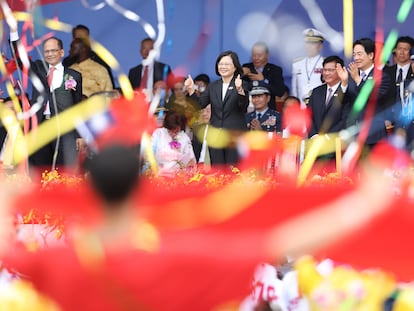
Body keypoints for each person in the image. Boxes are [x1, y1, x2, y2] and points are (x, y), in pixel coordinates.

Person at [9, 28, 83, 171]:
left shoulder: (74, 76)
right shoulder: (38, 68)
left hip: (63, 129)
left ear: (61, 52)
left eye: (53, 51)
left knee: (63, 171)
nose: (50, 54)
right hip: (40, 127)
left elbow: (77, 107)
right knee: (39, 170)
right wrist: (13, 33)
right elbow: (19, 57)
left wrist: (79, 135)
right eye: (47, 51)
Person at [185, 50, 249, 166]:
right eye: (221, 64)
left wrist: (240, 90)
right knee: (217, 172)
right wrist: (191, 90)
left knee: (233, 171)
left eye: (227, 64)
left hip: (234, 136)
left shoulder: (241, 84)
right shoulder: (213, 86)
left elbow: (243, 107)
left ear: (235, 67)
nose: (223, 67)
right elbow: (199, 105)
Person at [346, 37, 393, 149]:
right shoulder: (351, 76)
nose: (356, 58)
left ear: (371, 55)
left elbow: (373, 96)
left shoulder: (381, 76)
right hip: (353, 137)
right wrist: (343, 84)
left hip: (373, 137)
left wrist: (358, 79)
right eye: (354, 54)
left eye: (359, 54)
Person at [308, 55, 351, 138]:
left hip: (336, 143)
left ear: (340, 71)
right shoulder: (316, 92)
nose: (326, 73)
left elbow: (346, 119)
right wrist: (314, 135)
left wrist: (327, 137)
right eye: (324, 70)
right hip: (315, 142)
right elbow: (308, 117)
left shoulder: (346, 91)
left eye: (330, 70)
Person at [63, 24, 115, 89]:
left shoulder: (100, 63)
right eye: (78, 38)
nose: (81, 42)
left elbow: (109, 91)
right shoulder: (67, 63)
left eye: (84, 38)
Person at [150, 110, 196, 176]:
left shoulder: (185, 138)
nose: (173, 134)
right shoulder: (158, 134)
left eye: (176, 131)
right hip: (158, 175)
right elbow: (149, 154)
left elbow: (191, 162)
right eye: (170, 130)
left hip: (177, 177)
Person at [242, 41, 286, 110]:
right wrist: (239, 73)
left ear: (267, 55)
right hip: (248, 111)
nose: (256, 58)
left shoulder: (275, 70)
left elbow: (280, 92)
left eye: (259, 55)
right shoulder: (246, 68)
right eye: (254, 55)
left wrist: (263, 81)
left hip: (268, 112)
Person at [383, 36, 414, 131]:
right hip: (390, 123)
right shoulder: (386, 72)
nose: (401, 52)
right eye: (399, 49)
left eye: (405, 49)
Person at [291, 28, 325, 107]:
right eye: (307, 43)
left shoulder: (325, 63)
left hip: (320, 106)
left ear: (320, 46)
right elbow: (294, 88)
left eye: (313, 43)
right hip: (301, 107)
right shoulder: (297, 63)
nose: (309, 46)